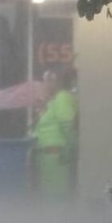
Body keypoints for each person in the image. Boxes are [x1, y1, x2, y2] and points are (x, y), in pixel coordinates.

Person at [31, 67, 78, 200]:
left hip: (56, 157)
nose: (46, 83)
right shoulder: (51, 102)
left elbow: (68, 126)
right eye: (45, 80)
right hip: (44, 158)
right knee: (47, 199)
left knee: (55, 199)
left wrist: (69, 151)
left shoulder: (62, 98)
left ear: (58, 82)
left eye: (51, 79)